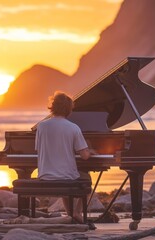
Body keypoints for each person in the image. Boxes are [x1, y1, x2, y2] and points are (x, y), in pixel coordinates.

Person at [35, 91, 94, 223]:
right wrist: (90, 150)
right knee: (87, 179)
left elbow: (38, 149)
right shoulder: (73, 127)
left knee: (65, 174)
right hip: (66, 176)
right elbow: (84, 156)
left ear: (53, 106)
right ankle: (77, 213)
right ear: (69, 109)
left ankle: (70, 214)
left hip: (45, 175)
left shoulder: (41, 126)